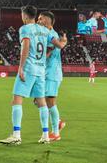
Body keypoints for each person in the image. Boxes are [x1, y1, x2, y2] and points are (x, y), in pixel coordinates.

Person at [0, 5, 67, 145]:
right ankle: (45, 135)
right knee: (42, 102)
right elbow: (58, 44)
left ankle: (16, 135)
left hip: (29, 68)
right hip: (41, 71)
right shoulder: (44, 31)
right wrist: (63, 42)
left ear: (24, 15)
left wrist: (21, 67)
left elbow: (26, 46)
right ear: (36, 16)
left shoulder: (24, 29)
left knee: (17, 99)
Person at [37, 11, 66, 142]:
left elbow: (46, 54)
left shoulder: (51, 35)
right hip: (46, 73)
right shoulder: (47, 34)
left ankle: (55, 133)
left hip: (52, 74)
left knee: (49, 102)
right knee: (38, 101)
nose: (38, 21)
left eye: (40, 19)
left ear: (48, 21)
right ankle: (58, 122)